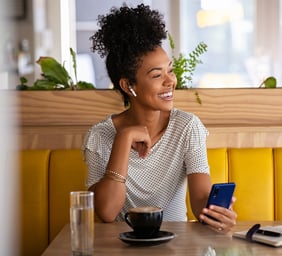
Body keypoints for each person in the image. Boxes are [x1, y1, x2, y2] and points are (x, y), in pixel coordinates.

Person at [82, 4, 237, 234]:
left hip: (175, 245)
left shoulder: (187, 126)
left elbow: (199, 200)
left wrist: (215, 212)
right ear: (128, 86)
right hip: (122, 248)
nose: (170, 81)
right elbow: (106, 212)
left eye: (170, 71)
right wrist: (124, 138)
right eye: (157, 75)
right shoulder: (99, 136)